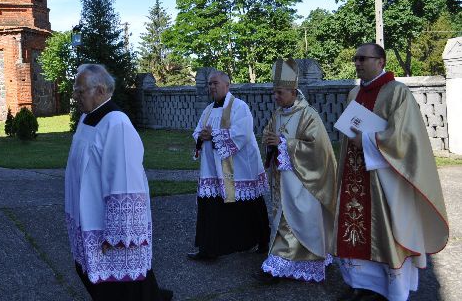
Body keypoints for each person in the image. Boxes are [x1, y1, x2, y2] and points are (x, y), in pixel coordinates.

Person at [334, 43, 449, 301]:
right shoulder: (354, 93)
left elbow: (405, 137)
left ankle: (389, 289)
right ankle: (361, 284)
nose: (357, 62)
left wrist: (365, 141)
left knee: (386, 233)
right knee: (355, 231)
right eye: (356, 58)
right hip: (356, 175)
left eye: (363, 58)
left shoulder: (397, 92)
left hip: (386, 178)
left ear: (381, 61)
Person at [64, 64, 173, 301]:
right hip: (88, 219)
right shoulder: (87, 119)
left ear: (100, 90)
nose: (75, 96)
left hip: (108, 230)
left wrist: (115, 234)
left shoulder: (117, 124)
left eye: (80, 91)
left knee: (122, 288)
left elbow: (125, 181)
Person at [257, 58, 337, 284]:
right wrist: (271, 142)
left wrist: (285, 144)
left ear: (293, 91)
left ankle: (287, 264)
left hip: (303, 183)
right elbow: (267, 134)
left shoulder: (308, 114)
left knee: (295, 221)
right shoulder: (278, 114)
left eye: (279, 92)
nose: (275, 97)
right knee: (281, 221)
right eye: (274, 92)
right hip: (282, 180)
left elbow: (318, 149)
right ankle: (280, 262)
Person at [187, 70, 270, 260]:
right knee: (211, 206)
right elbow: (198, 131)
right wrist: (201, 136)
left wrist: (213, 135)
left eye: (215, 83)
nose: (211, 87)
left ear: (227, 85)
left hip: (240, 167)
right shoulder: (208, 110)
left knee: (249, 204)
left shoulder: (240, 107)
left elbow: (242, 133)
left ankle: (261, 240)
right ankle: (209, 249)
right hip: (212, 168)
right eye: (209, 84)